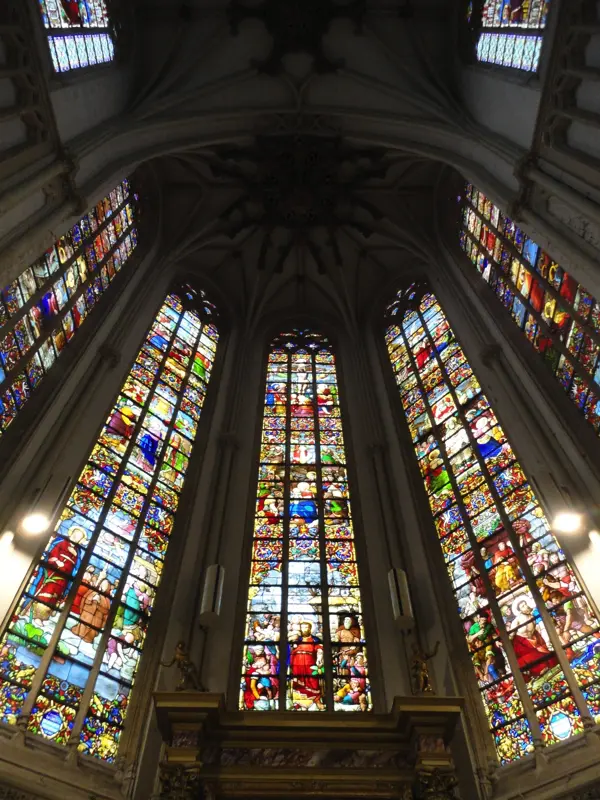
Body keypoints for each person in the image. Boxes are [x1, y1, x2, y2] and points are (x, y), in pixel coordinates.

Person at [25, 527, 86, 620]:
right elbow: (52, 554)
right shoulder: (61, 542)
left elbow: (76, 566)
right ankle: (33, 613)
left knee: (55, 595)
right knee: (46, 590)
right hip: (52, 572)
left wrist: (73, 558)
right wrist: (57, 561)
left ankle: (43, 617)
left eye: (79, 537)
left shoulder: (78, 551)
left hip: (64, 578)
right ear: (71, 534)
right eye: (76, 534)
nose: (76, 537)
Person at [289, 621, 325, 709]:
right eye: (302, 627)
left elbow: (319, 648)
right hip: (297, 663)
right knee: (298, 683)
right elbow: (289, 649)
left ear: (310, 629)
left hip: (310, 663)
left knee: (313, 681)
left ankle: (317, 700)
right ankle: (298, 702)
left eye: (306, 627)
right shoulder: (297, 639)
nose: (304, 629)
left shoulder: (315, 639)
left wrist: (319, 657)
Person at [71, 578, 112, 643]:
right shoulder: (92, 592)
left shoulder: (107, 600)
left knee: (90, 633)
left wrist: (98, 604)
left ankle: (88, 638)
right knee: (82, 626)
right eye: (103, 584)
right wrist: (92, 599)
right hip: (86, 615)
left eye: (106, 586)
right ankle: (80, 632)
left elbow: (106, 612)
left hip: (96, 620)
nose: (103, 587)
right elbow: (84, 601)